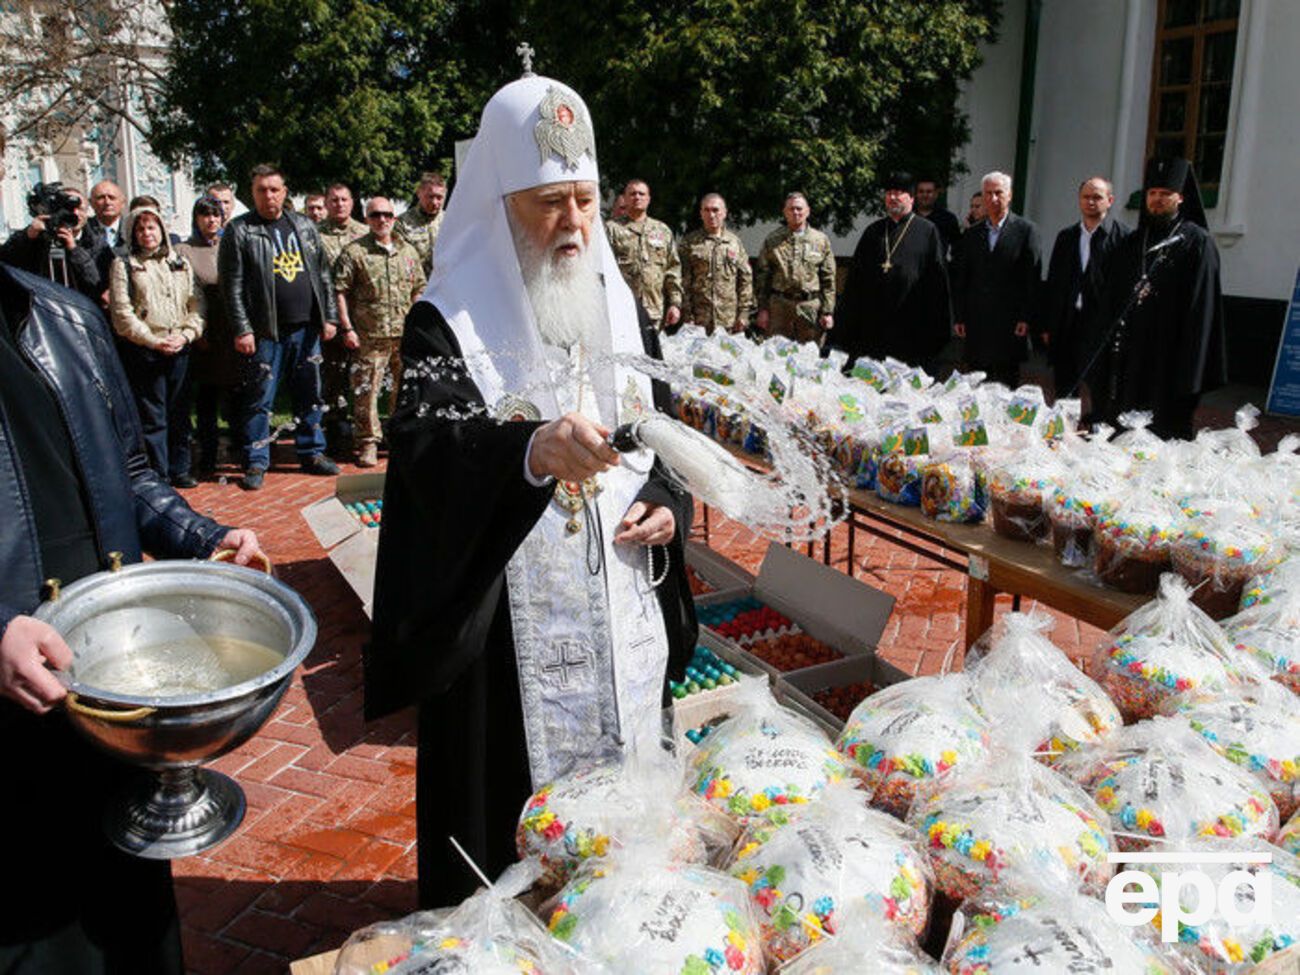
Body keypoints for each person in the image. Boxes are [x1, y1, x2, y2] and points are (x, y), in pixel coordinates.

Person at [366, 75, 696, 908]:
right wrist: (528, 449)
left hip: (623, 614)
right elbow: (423, 449)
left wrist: (667, 498)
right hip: (510, 641)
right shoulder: (447, 320)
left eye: (584, 199)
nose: (576, 224)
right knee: (504, 850)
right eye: (550, 202)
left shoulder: (618, 302)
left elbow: (659, 430)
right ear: (501, 201)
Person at [0, 260, 262, 974]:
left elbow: (133, 472)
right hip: (9, 706)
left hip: (106, 682)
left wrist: (203, 537)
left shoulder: (66, 317)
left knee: (128, 913)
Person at [219, 163, 340, 490]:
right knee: (260, 398)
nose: (268, 196)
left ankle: (311, 452)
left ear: (285, 192)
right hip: (265, 332)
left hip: (306, 329)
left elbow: (323, 275)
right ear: (252, 193)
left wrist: (329, 317)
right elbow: (231, 285)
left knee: (310, 395)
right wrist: (242, 328)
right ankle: (256, 461)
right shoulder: (240, 230)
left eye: (274, 189)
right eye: (261, 190)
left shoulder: (304, 226)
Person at [1092, 157, 1226, 439]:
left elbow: (1202, 310)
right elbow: (1111, 301)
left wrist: (1191, 371)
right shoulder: (1132, 243)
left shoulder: (1197, 243)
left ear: (1180, 198)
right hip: (1130, 358)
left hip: (1171, 359)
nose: (1157, 200)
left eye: (1165, 194)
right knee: (1124, 431)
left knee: (1165, 432)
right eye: (1152, 194)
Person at [109, 204, 205, 487]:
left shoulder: (179, 262)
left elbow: (196, 303)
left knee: (180, 412)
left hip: (179, 346)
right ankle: (158, 473)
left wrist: (187, 334)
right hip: (146, 350)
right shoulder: (124, 264)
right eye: (140, 228)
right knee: (153, 416)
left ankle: (180, 468)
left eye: (151, 227)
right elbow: (122, 312)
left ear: (161, 230)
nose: (146, 233)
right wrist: (153, 340)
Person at [334, 196, 425, 467]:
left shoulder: (407, 251)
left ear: (394, 218)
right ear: (367, 219)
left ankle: (396, 438)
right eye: (375, 215)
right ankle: (368, 443)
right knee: (366, 391)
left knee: (403, 390)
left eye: (386, 214)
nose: (381, 220)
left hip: (402, 334)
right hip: (368, 335)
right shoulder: (355, 252)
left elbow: (419, 286)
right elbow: (340, 292)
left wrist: (418, 320)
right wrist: (347, 327)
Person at [832, 174, 951, 370]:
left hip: (911, 325)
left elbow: (937, 282)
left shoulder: (928, 231)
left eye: (899, 193)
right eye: (889, 193)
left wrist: (936, 325)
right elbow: (855, 281)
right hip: (873, 326)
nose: (893, 197)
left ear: (911, 198)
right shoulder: (873, 231)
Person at [1041, 177, 1131, 406]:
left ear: (1109, 201)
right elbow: (1054, 283)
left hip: (1101, 325)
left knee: (1100, 386)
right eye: (1086, 197)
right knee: (1064, 386)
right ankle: (1066, 431)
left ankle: (1097, 433)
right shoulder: (1066, 237)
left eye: (1097, 197)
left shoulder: (1123, 238)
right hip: (1068, 323)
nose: (1090, 202)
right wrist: (1048, 324)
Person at [951, 171, 1042, 387]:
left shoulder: (1026, 231)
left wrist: (1025, 317)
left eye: (998, 193)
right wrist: (960, 316)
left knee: (1004, 384)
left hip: (1009, 324)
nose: (993, 199)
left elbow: (1032, 278)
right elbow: (962, 278)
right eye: (988, 193)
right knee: (975, 385)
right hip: (977, 323)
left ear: (1009, 195)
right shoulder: (972, 234)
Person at [177, 195, 238, 477]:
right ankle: (208, 457)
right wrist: (196, 333)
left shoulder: (233, 244)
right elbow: (183, 295)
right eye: (205, 215)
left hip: (234, 331)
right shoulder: (184, 250)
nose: (211, 220)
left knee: (239, 395)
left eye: (215, 214)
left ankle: (242, 450)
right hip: (204, 333)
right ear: (196, 218)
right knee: (206, 401)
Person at [317, 183, 369, 455]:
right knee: (332, 375)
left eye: (344, 199)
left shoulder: (364, 232)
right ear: (326, 203)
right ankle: (335, 430)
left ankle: (364, 432)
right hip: (330, 317)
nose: (339, 204)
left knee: (363, 376)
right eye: (334, 199)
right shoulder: (314, 235)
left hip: (363, 317)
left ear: (352, 202)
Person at [754, 191, 836, 345]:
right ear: (785, 212)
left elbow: (828, 279)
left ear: (808, 211)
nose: (796, 212)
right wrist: (763, 310)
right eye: (791, 209)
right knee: (776, 355)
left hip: (810, 307)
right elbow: (762, 277)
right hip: (779, 307)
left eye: (799, 208)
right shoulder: (772, 240)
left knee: (809, 358)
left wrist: (827, 311)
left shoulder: (820, 241)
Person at [0, 184, 104, 299]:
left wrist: (74, 250)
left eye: (80, 209)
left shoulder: (97, 242)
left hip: (82, 310)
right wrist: (28, 235)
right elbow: (6, 262)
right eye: (68, 208)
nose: (75, 213)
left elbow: (97, 283)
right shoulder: (37, 238)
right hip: (44, 309)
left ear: (87, 212)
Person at [605, 178, 682, 330]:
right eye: (632, 194)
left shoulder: (662, 231)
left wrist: (675, 304)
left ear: (648, 199)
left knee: (652, 353)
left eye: (641, 194)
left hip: (653, 311)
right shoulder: (611, 229)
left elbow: (672, 270)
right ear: (625, 199)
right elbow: (603, 271)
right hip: (621, 310)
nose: (637, 197)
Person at [679, 193, 753, 335]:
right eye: (706, 210)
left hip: (728, 321)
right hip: (698, 320)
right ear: (701, 213)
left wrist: (743, 313)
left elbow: (745, 280)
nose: (711, 215)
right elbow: (682, 281)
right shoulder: (690, 243)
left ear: (724, 213)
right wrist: (687, 314)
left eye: (715, 210)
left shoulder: (734, 243)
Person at [396, 171, 447, 275]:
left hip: (447, 284)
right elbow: (400, 261)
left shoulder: (450, 220)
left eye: (439, 197)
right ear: (419, 193)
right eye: (430, 196)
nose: (434, 202)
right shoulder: (403, 223)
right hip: (418, 286)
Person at [914, 177, 962, 261]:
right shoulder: (908, 217)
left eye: (929, 192)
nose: (925, 195)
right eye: (921, 191)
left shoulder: (948, 218)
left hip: (937, 269)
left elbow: (957, 248)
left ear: (936, 194)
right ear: (916, 194)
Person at [84, 179, 126, 250]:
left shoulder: (132, 228)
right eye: (101, 198)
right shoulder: (83, 230)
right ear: (91, 203)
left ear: (123, 202)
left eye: (112, 198)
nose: (107, 202)